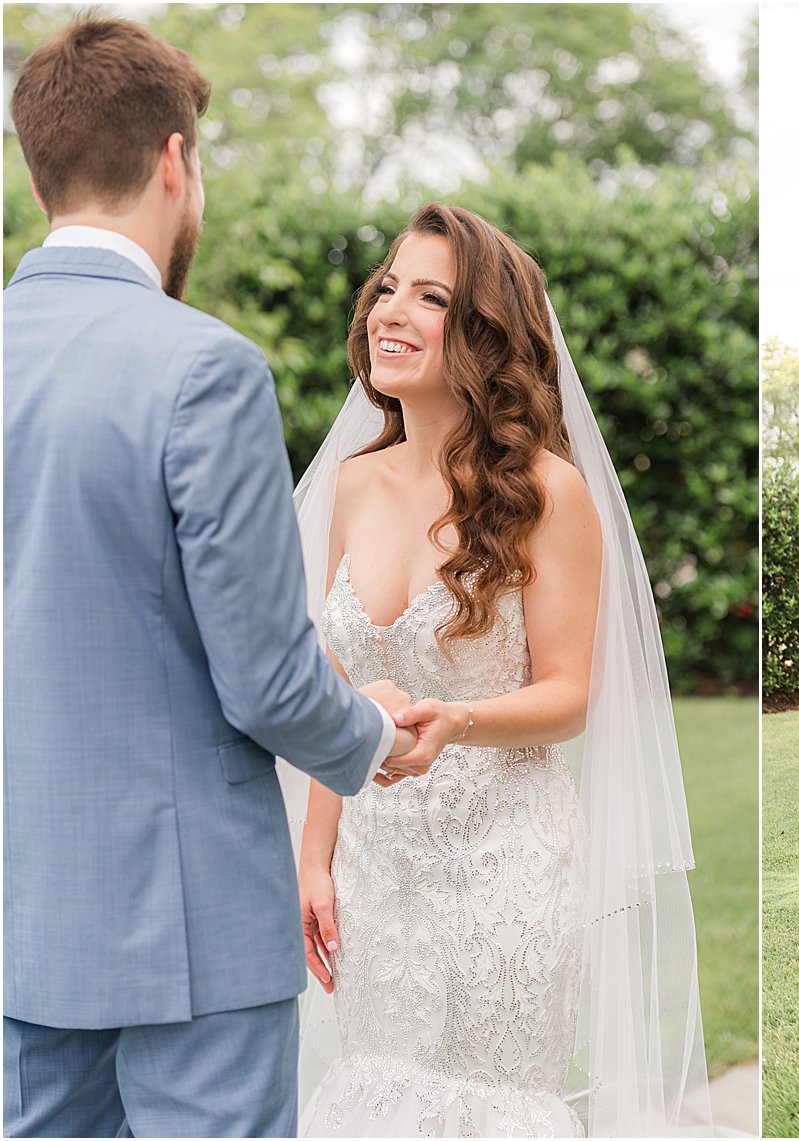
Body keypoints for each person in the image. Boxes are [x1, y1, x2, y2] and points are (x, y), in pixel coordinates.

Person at [2, 18, 448, 1138]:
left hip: (23, 923)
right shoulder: (204, 369)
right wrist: (371, 729)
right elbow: (261, 674)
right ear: (173, 160)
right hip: (189, 930)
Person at [286, 204, 711, 1137]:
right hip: (375, 860)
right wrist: (314, 855)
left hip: (505, 856)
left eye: (429, 296)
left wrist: (460, 721)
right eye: (387, 287)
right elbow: (332, 686)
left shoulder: (548, 493)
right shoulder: (353, 486)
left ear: (483, 333)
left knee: (489, 1102)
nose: (390, 311)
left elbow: (570, 693)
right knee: (377, 1083)